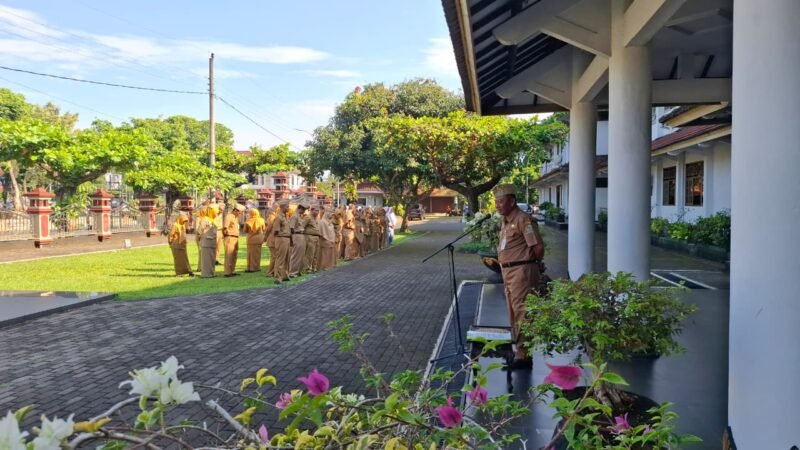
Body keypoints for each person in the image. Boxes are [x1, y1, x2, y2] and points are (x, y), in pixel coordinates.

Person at [494, 183, 545, 370]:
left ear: (512, 201)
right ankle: (520, 351)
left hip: (521, 272)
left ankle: (524, 356)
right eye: (496, 202)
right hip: (509, 272)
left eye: (500, 201)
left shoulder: (524, 220)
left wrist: (533, 266)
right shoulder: (506, 221)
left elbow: (538, 247)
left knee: (522, 312)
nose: (497, 205)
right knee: (513, 312)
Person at [269, 199, 292, 284]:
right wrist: (280, 237)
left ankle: (285, 275)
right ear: (282, 207)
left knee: (287, 258)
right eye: (287, 206)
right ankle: (278, 277)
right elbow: (275, 230)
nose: (288, 208)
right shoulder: (278, 217)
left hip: (287, 238)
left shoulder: (286, 216)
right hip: (281, 238)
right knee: (280, 258)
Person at [195, 206, 218, 278]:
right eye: (215, 212)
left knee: (211, 259)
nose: (216, 214)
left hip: (212, 242)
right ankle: (206, 274)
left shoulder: (213, 220)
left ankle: (211, 273)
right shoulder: (205, 219)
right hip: (206, 242)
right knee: (206, 259)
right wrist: (200, 238)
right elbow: (199, 230)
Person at [222, 204, 245, 277]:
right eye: (239, 212)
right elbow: (225, 228)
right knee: (229, 255)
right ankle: (227, 272)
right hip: (230, 237)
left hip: (235, 238)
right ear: (235, 210)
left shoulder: (235, 218)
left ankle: (232, 270)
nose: (240, 214)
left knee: (234, 255)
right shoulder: (229, 217)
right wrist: (227, 235)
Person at [288, 202, 308, 277]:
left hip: (301, 235)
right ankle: (292, 272)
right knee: (296, 254)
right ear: (299, 208)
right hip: (297, 235)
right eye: (303, 209)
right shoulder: (294, 216)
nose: (304, 211)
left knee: (301, 254)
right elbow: (291, 228)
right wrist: (294, 235)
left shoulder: (299, 216)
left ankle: (298, 270)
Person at [245, 208, 266, 272]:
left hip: (251, 239)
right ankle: (256, 267)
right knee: (257, 253)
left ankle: (250, 267)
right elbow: (264, 229)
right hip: (259, 238)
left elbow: (245, 231)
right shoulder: (262, 220)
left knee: (250, 254)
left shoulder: (248, 221)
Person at [263, 203, 280, 277]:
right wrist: (265, 237)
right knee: (274, 256)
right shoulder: (272, 217)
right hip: (272, 239)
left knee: (275, 256)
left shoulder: (276, 216)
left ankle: (273, 271)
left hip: (275, 239)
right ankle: (270, 272)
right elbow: (268, 229)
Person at [303, 205, 321, 273]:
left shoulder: (316, 218)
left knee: (316, 254)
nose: (317, 212)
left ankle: (314, 267)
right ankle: (308, 268)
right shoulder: (308, 217)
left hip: (317, 237)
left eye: (318, 211)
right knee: (310, 254)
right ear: (312, 210)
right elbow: (302, 226)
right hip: (310, 237)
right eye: (316, 210)